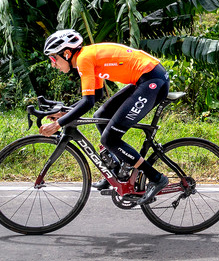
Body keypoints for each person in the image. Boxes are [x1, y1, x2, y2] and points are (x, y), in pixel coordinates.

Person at [40, 29, 171, 205]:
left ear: (66, 53)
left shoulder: (84, 59)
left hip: (153, 80)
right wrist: (66, 113)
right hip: (145, 79)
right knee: (102, 115)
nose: (53, 64)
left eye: (53, 58)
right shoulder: (86, 57)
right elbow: (96, 95)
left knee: (110, 139)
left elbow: (87, 102)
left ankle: (156, 178)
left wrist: (58, 124)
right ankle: (117, 170)